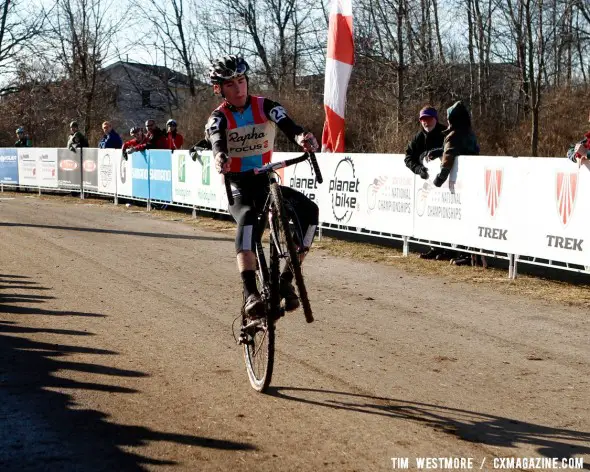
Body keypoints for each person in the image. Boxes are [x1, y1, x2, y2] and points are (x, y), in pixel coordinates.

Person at [205, 54, 319, 318]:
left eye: (242, 81)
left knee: (310, 213)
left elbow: (289, 125)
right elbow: (216, 139)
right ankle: (250, 293)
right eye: (230, 84)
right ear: (219, 89)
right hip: (239, 184)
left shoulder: (264, 105)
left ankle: (286, 279)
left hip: (266, 179)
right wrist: (220, 156)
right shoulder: (218, 117)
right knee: (246, 219)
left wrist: (302, 137)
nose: (238, 88)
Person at [428, 100, 480, 266]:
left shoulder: (454, 135)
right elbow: (454, 150)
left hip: (461, 185)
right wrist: (438, 151)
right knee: (466, 219)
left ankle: (466, 254)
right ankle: (465, 253)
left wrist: (439, 179)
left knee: (461, 219)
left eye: (449, 118)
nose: (447, 121)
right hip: (472, 183)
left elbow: (449, 156)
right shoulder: (469, 133)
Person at [405, 106, 447, 260]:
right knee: (431, 216)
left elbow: (452, 149)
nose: (425, 122)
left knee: (445, 215)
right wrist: (418, 169)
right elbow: (408, 157)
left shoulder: (445, 133)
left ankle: (447, 249)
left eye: (428, 119)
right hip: (429, 184)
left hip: (447, 181)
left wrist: (438, 153)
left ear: (435, 119)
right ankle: (434, 247)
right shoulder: (418, 137)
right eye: (423, 120)